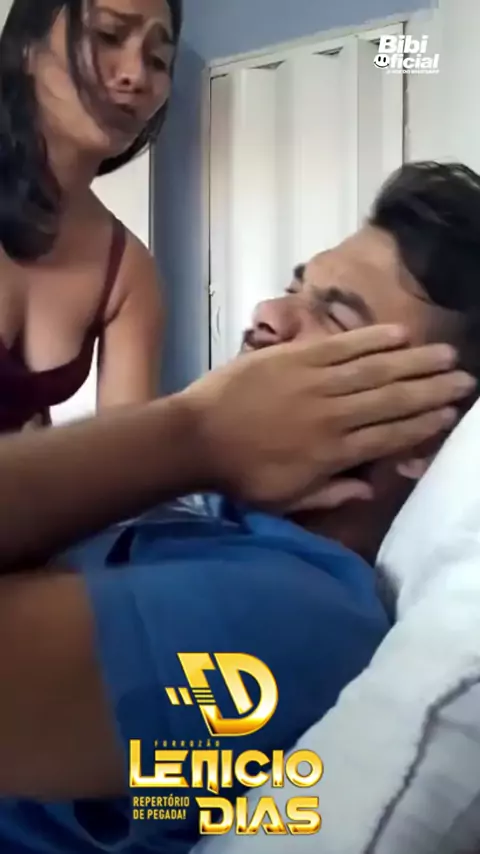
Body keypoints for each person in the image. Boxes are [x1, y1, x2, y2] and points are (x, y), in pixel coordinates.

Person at [0, 160, 477, 854]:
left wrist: (196, 435)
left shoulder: (290, 621)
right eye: (295, 287)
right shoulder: (210, 519)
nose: (269, 314)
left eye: (334, 315)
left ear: (421, 432)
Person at [0, 0, 182, 433]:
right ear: (27, 49)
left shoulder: (129, 272)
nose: (136, 75)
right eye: (107, 35)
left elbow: (126, 456)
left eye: (159, 60)